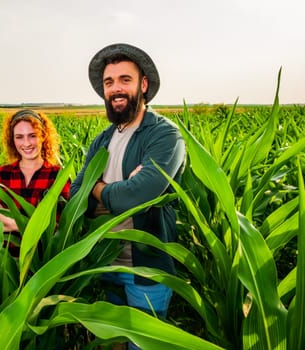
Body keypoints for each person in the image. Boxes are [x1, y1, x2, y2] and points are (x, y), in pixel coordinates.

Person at [70, 43, 186, 348]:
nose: (116, 88)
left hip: (146, 269)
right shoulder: (102, 140)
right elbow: (74, 194)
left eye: (125, 79)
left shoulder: (164, 135)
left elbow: (137, 196)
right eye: (109, 82)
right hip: (106, 262)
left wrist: (98, 188)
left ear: (143, 85)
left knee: (144, 344)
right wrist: (114, 191)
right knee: (115, 342)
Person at [0, 109, 70, 257]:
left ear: (43, 137)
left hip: (43, 262)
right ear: (12, 140)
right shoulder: (1, 175)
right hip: (4, 263)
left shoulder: (58, 176)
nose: (26, 143)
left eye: (32, 136)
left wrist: (7, 220)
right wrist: (34, 224)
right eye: (19, 137)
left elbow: (59, 229)